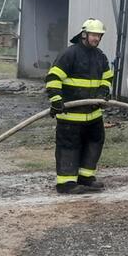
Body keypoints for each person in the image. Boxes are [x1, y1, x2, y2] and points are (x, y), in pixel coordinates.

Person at [46, 18, 113, 195]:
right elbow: (53, 78)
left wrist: (103, 93)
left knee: (94, 144)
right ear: (84, 35)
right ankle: (66, 183)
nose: (96, 39)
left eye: (99, 36)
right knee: (69, 147)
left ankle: (86, 178)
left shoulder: (100, 57)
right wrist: (56, 99)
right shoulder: (70, 54)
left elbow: (107, 78)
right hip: (70, 115)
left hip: (93, 115)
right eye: (93, 35)